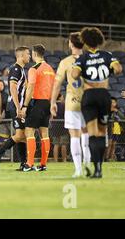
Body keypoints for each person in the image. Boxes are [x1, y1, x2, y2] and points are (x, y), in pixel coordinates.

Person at [72, 27, 122, 178]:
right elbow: (118, 69)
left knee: (92, 133)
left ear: (85, 42)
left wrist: (82, 71)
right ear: (100, 41)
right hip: (103, 96)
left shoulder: (83, 58)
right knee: (101, 132)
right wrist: (108, 70)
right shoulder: (107, 55)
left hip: (89, 96)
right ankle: (99, 168)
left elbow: (74, 75)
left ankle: (95, 169)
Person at [50, 32, 90, 177]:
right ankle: (87, 165)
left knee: (74, 136)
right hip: (88, 102)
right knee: (86, 133)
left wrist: (53, 102)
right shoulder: (90, 60)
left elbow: (57, 84)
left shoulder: (66, 62)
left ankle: (78, 169)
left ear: (71, 44)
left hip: (72, 103)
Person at [20, 44, 55, 172]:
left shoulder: (34, 69)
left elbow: (31, 88)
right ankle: (43, 164)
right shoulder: (50, 69)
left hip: (37, 102)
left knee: (29, 131)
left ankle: (29, 164)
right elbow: (53, 89)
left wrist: (25, 105)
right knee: (44, 133)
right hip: (47, 103)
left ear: (34, 54)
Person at [0, 46, 30, 170]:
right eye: (27, 54)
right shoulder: (16, 69)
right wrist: (18, 107)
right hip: (16, 106)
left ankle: (23, 163)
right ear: (20, 56)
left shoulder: (20, 70)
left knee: (21, 136)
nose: (29, 56)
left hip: (17, 105)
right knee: (21, 135)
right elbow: (12, 88)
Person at [51, 94, 68, 163]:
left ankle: (55, 160)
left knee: (56, 144)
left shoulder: (53, 106)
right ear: (60, 97)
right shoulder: (64, 105)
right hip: (63, 125)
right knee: (63, 144)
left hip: (55, 126)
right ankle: (64, 160)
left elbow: (52, 116)